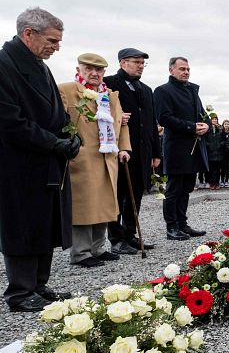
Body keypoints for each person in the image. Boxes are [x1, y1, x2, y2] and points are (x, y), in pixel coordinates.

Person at [0, 7, 80, 311]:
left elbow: (55, 109)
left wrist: (70, 135)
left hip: (48, 157)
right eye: (52, 40)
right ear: (29, 34)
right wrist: (55, 144)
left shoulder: (39, 64)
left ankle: (39, 284)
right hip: (19, 161)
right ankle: (20, 291)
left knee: (44, 219)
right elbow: (6, 121)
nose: (56, 47)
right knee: (23, 222)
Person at [59, 53, 131, 268]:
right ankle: (80, 252)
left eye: (98, 70)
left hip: (107, 157)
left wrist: (124, 148)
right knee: (85, 206)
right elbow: (56, 120)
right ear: (79, 69)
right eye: (88, 68)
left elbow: (122, 123)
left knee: (105, 204)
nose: (94, 73)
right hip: (82, 158)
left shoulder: (110, 95)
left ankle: (98, 248)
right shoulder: (66, 90)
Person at [103, 48, 161, 254]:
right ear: (122, 62)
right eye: (136, 62)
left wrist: (156, 153)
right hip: (119, 150)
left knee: (135, 194)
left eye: (143, 63)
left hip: (142, 151)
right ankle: (116, 238)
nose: (140, 66)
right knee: (118, 195)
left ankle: (129, 234)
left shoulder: (146, 89)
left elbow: (151, 123)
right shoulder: (109, 84)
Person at [153, 56, 208, 240]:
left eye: (188, 69)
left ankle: (182, 224)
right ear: (171, 70)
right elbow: (164, 118)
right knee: (174, 189)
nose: (185, 72)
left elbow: (202, 114)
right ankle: (172, 227)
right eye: (182, 69)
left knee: (186, 188)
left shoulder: (193, 90)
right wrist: (191, 127)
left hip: (193, 148)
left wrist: (206, 125)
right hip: (176, 148)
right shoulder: (163, 91)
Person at [203, 115, 224, 189]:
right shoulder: (208, 129)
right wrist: (209, 145)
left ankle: (217, 183)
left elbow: (224, 140)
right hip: (210, 152)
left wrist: (220, 145)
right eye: (213, 119)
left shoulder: (220, 129)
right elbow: (205, 140)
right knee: (211, 169)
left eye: (216, 119)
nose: (214, 121)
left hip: (218, 153)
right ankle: (211, 182)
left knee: (218, 169)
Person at [219, 119, 229, 187]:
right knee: (222, 168)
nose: (226, 125)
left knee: (227, 168)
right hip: (222, 152)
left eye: (227, 124)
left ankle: (226, 181)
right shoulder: (221, 132)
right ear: (223, 125)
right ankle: (222, 181)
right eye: (225, 124)